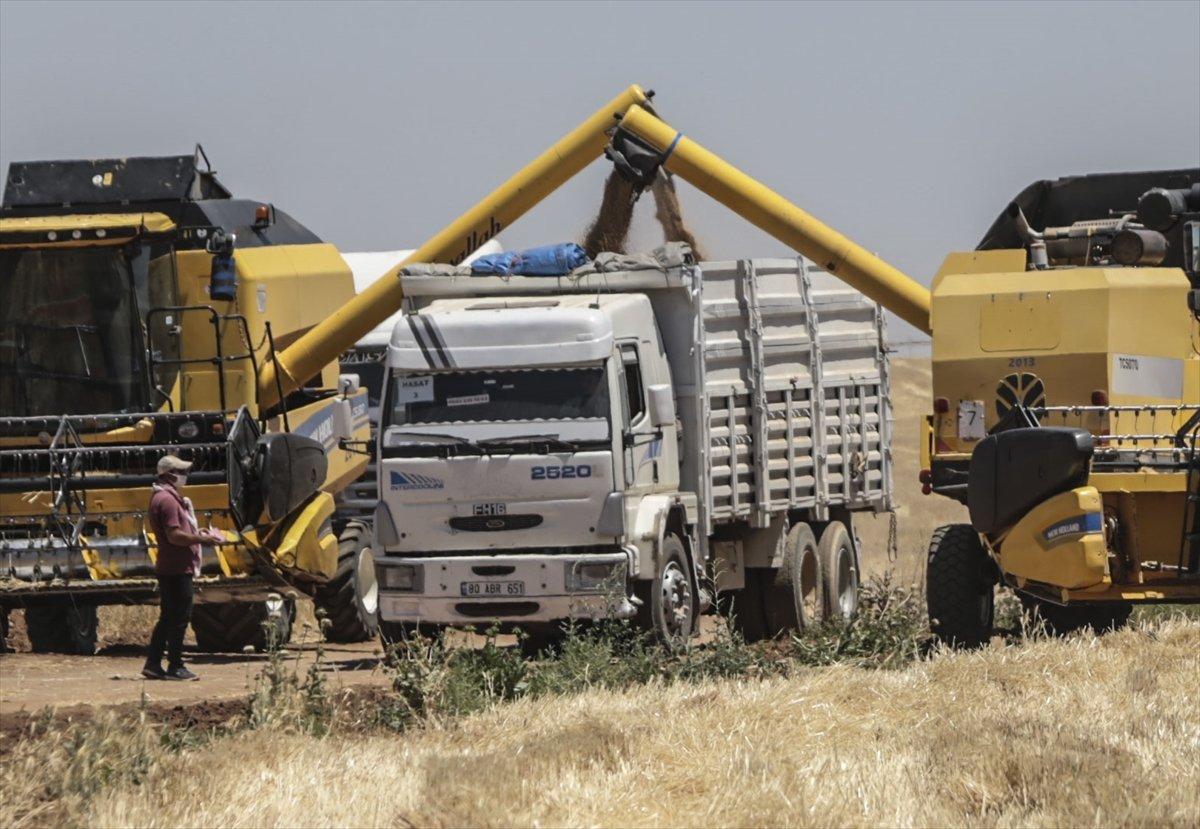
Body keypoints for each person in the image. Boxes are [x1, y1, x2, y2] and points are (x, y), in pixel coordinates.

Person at [143, 455, 221, 681]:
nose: (185, 476)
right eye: (181, 472)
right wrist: (201, 539)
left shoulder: (163, 497)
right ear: (168, 475)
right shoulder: (167, 500)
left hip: (170, 566)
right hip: (177, 568)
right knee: (179, 617)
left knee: (168, 616)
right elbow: (174, 536)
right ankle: (175, 665)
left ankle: (153, 663)